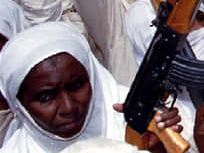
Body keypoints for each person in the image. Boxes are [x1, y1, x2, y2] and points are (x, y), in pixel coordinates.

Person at [0, 21, 181, 152]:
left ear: (92, 76)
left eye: (76, 86)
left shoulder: (134, 116)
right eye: (46, 97)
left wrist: (159, 147)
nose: (69, 107)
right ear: (20, 105)